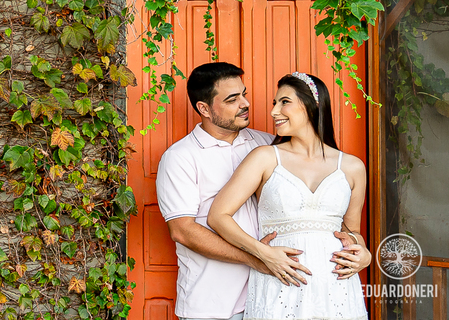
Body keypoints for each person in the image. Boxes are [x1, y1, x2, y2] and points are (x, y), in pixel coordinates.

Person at [156, 64, 370, 320]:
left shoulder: (267, 143)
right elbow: (183, 230)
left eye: (243, 94)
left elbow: (340, 226)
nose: (246, 103)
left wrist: (362, 249)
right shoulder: (180, 157)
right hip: (214, 301)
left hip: (281, 288)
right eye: (233, 99)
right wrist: (258, 257)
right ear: (204, 108)